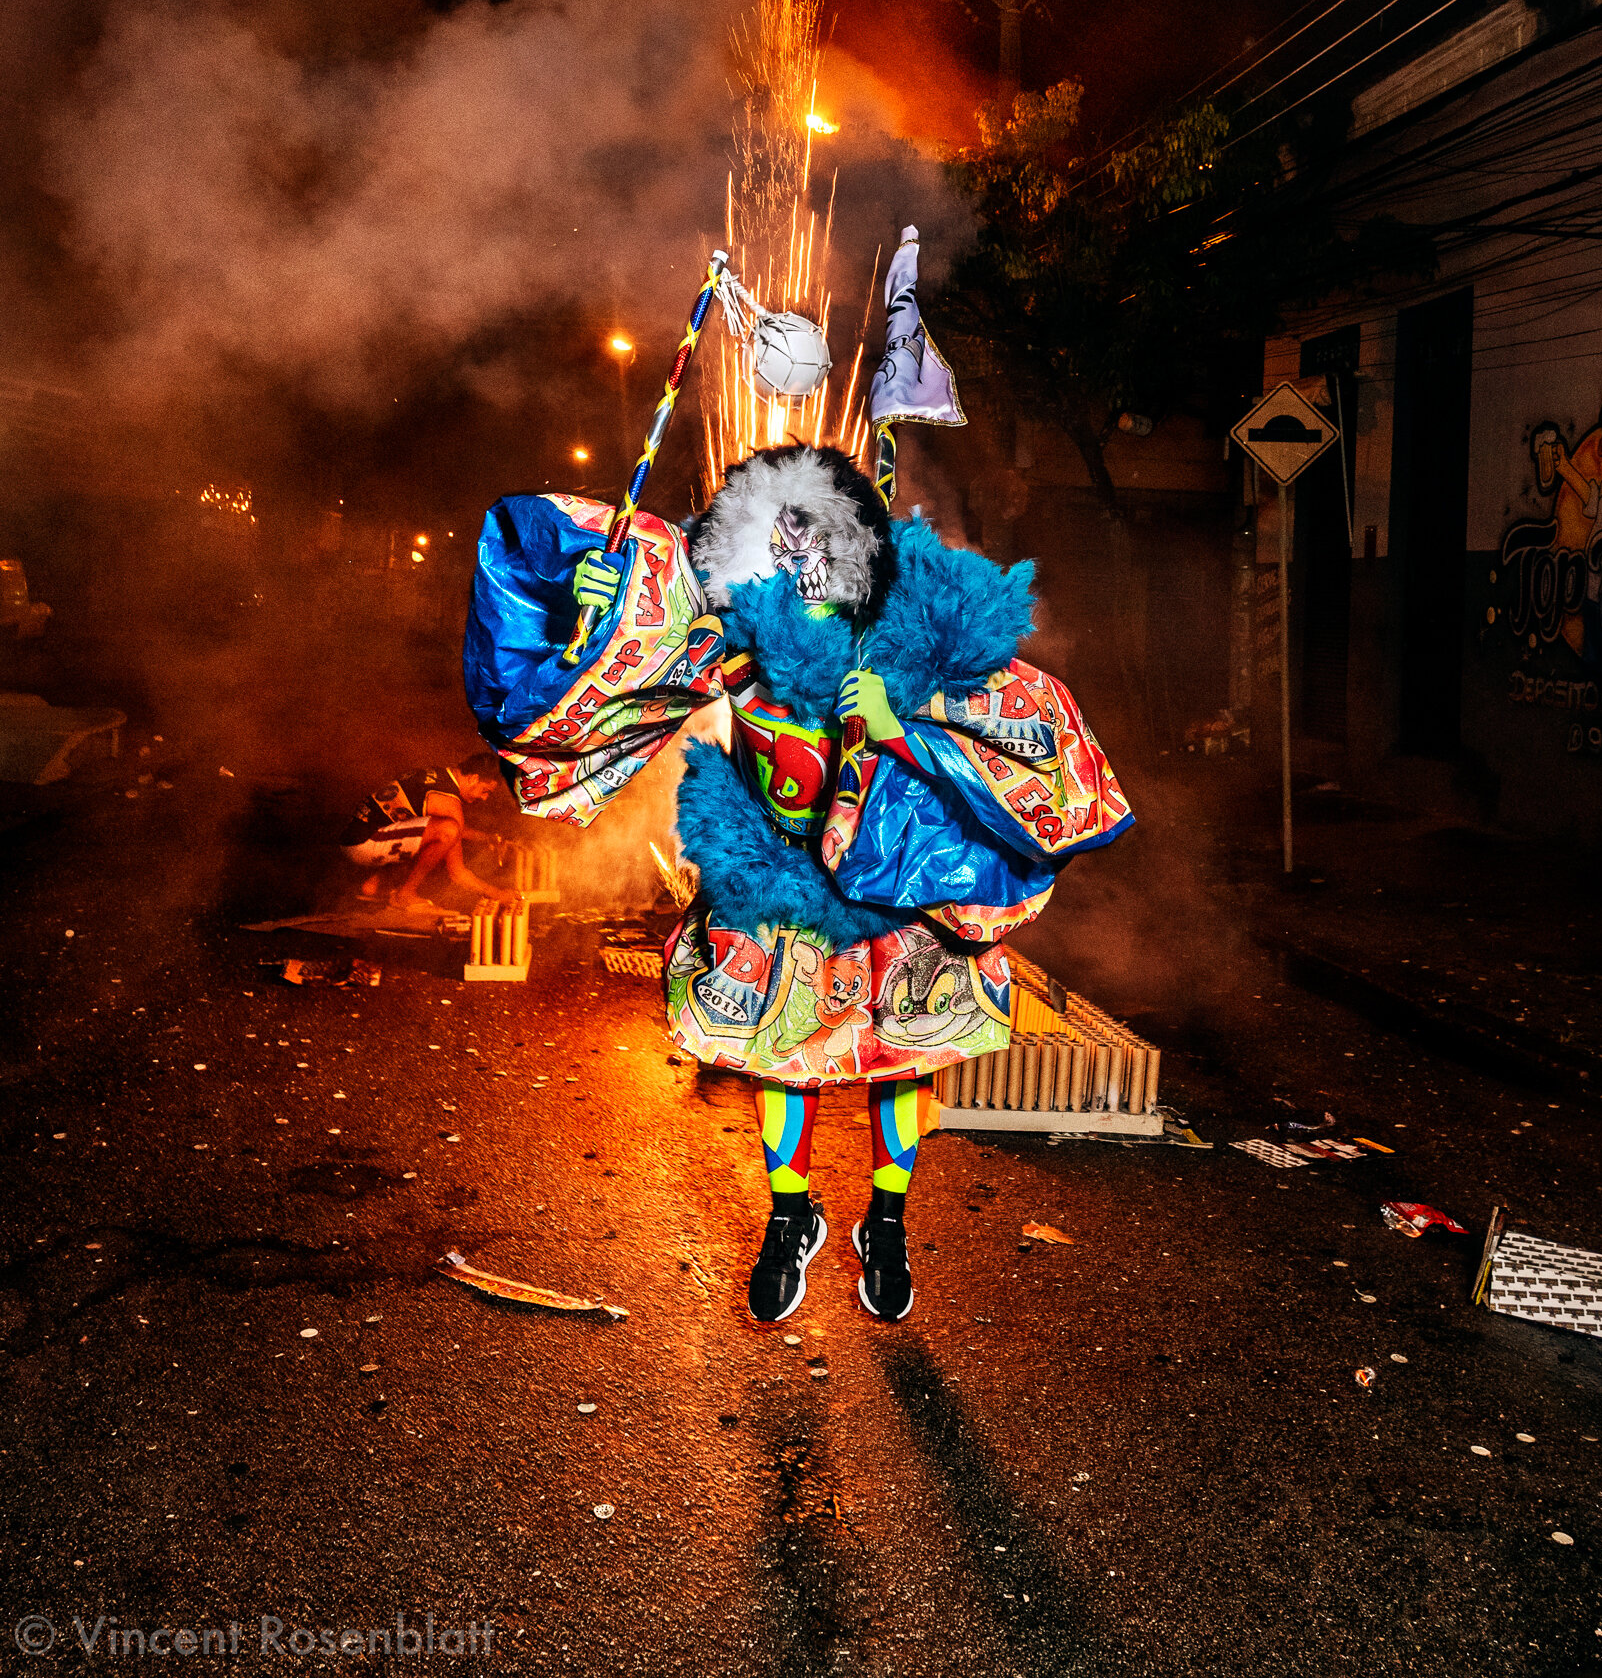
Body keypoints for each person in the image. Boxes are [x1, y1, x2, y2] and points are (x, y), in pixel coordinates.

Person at [463, 442, 1131, 1327]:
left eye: (817, 546)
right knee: (781, 1052)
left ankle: (885, 1223)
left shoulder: (917, 645)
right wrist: (598, 603)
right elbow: (630, 657)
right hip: (774, 886)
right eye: (780, 550)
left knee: (903, 1056)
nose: (800, 566)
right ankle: (791, 1216)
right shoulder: (732, 648)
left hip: (897, 895)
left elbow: (1034, 749)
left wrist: (902, 726)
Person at [339, 752, 502, 906]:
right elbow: (457, 872)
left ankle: (375, 884)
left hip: (354, 835)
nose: (484, 798)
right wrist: (496, 893)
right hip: (362, 844)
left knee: (437, 830)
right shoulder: (449, 801)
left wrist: (487, 839)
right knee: (448, 831)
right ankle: (406, 894)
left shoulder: (438, 774)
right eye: (485, 791)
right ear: (474, 778)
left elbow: (436, 828)